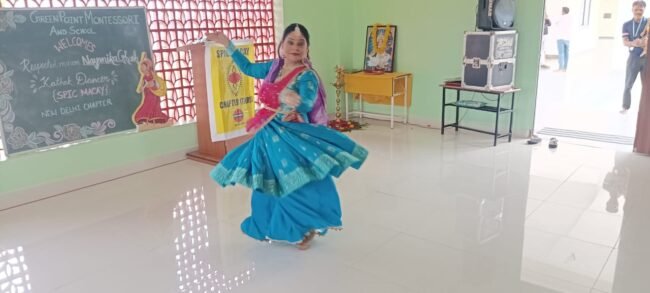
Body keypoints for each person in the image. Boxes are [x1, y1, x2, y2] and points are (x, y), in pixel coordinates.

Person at [206, 24, 368, 250]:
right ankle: (264, 225)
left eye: (301, 43)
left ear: (307, 48)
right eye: (290, 42)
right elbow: (248, 68)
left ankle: (303, 227)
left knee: (295, 183)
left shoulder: (307, 76)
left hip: (291, 135)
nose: (295, 47)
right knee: (264, 182)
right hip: (267, 133)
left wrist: (293, 99)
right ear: (281, 46)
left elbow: (308, 102)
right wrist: (227, 43)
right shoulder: (274, 67)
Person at [622, 1, 648, 114]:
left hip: (647, 58)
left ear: (644, 10)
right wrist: (636, 43)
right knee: (628, 84)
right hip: (633, 58)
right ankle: (625, 107)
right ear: (632, 10)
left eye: (641, 9)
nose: (638, 11)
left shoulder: (648, 22)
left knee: (647, 86)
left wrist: (644, 43)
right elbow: (625, 42)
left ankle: (646, 110)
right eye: (636, 9)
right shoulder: (626, 25)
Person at [133, 53, 171, 126]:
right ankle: (147, 120)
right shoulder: (143, 77)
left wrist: (153, 84)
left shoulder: (153, 74)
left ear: (147, 67)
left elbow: (157, 83)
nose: (143, 69)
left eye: (144, 67)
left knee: (155, 106)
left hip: (155, 93)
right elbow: (139, 90)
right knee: (147, 105)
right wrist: (145, 86)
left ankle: (155, 120)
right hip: (148, 94)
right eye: (142, 68)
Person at [555, 7, 572, 72]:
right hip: (567, 38)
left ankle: (560, 68)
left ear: (563, 11)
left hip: (560, 37)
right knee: (566, 53)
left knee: (561, 53)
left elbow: (556, 24)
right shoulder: (571, 18)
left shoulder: (561, 17)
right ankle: (565, 68)